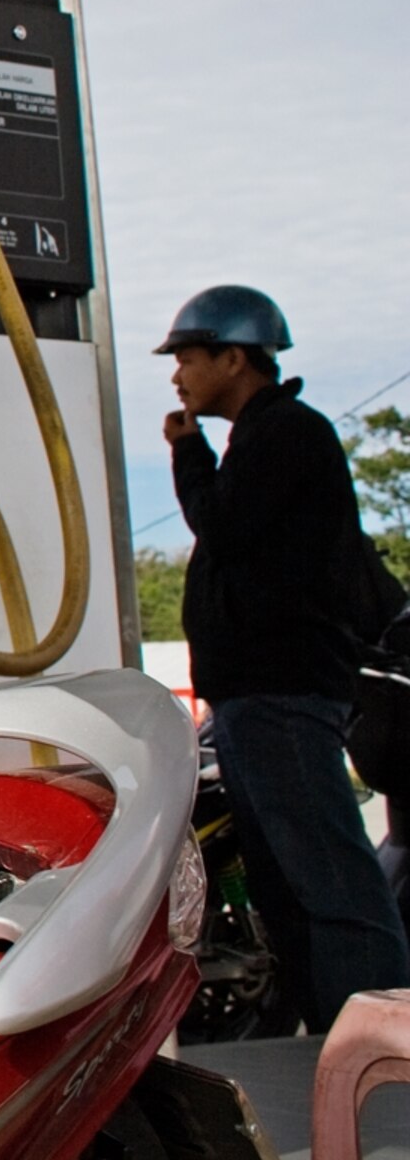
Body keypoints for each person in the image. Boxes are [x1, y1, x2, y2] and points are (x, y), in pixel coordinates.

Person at [161, 283, 410, 1027]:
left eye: (189, 359)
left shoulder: (288, 432)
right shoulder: (263, 437)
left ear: (234, 358)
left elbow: (222, 526)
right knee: (286, 882)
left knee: (330, 876)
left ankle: (383, 1042)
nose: (178, 377)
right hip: (254, 698)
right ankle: (327, 1039)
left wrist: (185, 453)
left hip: (283, 693)